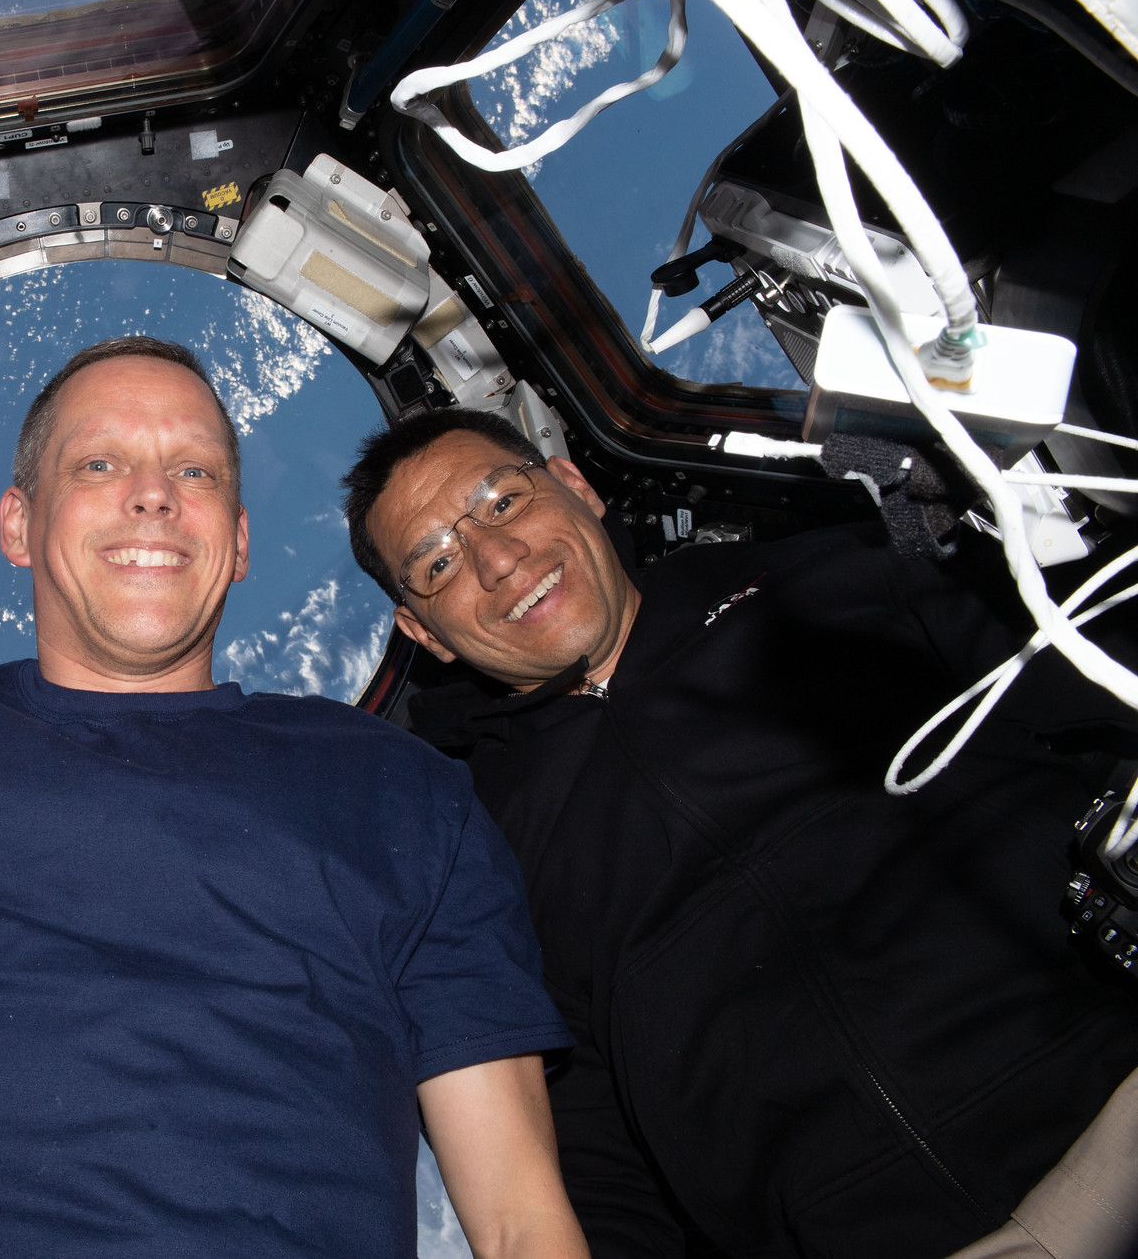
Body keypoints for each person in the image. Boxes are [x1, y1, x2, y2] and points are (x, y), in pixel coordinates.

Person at [0, 337, 589, 1258]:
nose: (152, 495)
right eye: (99, 462)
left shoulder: (406, 795)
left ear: (241, 541)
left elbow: (516, 1219)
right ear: (19, 523)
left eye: (199, 473)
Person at [340, 406, 1138, 1257]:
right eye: (438, 562)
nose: (499, 561)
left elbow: (1098, 701)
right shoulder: (476, 854)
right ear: (426, 634)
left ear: (574, 485)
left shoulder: (835, 578)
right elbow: (584, 1165)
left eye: (501, 502)